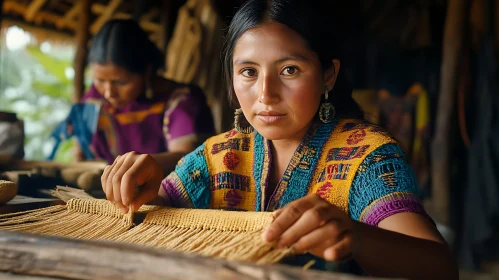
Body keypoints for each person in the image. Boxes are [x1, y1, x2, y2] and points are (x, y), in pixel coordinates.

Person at [100, 1, 458, 279]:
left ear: (328, 75)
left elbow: (440, 268)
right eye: (249, 72)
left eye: (290, 70)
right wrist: (138, 188)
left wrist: (356, 236)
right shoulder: (218, 155)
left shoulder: (365, 156)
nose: (265, 94)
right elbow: (150, 215)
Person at [51, 19, 215, 173]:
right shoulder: (95, 99)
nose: (109, 93)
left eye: (121, 82)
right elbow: (79, 154)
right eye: (99, 80)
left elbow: (186, 157)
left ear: (147, 71)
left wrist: (136, 166)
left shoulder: (181, 100)